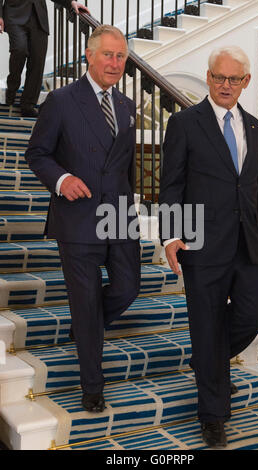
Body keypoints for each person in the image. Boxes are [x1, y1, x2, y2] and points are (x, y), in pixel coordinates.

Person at [159, 46, 258, 448]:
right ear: (208, 78)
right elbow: (171, 185)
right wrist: (171, 236)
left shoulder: (257, 128)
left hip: (248, 243)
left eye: (233, 79)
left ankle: (206, 360)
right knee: (206, 325)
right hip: (200, 244)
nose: (225, 85)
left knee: (248, 318)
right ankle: (213, 415)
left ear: (245, 82)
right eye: (218, 77)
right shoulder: (184, 124)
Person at [25, 25, 140, 412]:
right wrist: (61, 179)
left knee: (128, 287)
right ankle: (93, 385)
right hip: (78, 217)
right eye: (107, 54)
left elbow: (126, 165)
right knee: (86, 302)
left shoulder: (126, 105)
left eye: (121, 56)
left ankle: (85, 327)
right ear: (89, 56)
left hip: (119, 214)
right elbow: (37, 153)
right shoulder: (61, 100)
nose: (114, 62)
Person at [0, 0, 90, 117]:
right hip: (14, 13)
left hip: (38, 17)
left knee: (37, 60)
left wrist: (71, 3)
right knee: (19, 49)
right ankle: (12, 86)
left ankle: (28, 105)